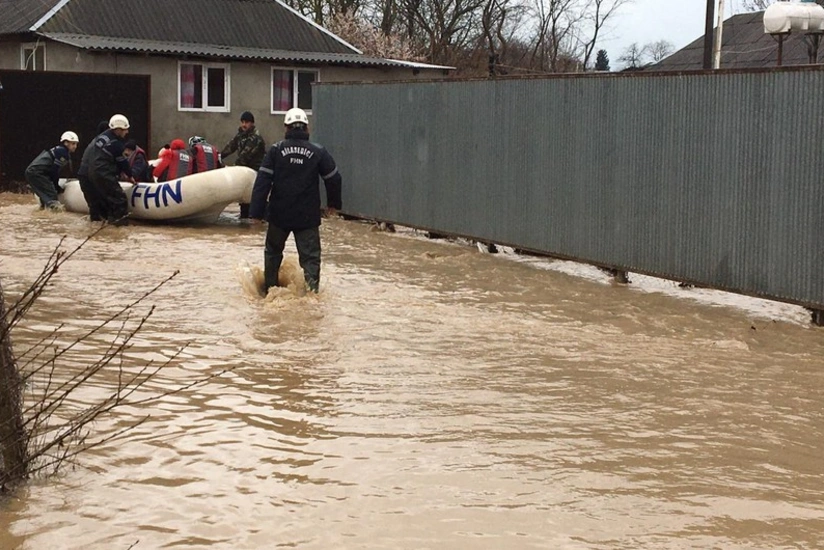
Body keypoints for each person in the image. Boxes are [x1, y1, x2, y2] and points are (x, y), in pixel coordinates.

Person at [249, 107, 343, 293]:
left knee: (273, 254)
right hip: (307, 217)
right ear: (306, 129)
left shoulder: (276, 150)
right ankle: (312, 295)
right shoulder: (318, 151)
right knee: (310, 259)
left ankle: (269, 291)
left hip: (278, 215)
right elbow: (334, 178)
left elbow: (262, 181)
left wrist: (256, 213)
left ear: (286, 127)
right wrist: (333, 205)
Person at [88, 114, 135, 225]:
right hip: (103, 173)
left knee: (106, 199)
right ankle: (119, 226)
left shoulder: (102, 137)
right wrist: (130, 176)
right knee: (119, 199)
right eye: (125, 130)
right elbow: (122, 162)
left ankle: (106, 224)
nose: (127, 132)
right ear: (118, 130)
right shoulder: (116, 144)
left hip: (93, 172)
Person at [222, 110, 266, 218]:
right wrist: (219, 156)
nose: (244, 125)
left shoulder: (256, 138)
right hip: (244, 175)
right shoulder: (240, 136)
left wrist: (232, 169)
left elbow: (245, 156)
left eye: (246, 122)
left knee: (255, 205)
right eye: (242, 122)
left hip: (255, 174)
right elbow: (230, 147)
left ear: (252, 123)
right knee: (244, 206)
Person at [24, 131, 79, 211]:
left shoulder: (58, 150)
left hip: (32, 172)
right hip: (37, 173)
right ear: (66, 143)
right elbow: (54, 172)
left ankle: (42, 215)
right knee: (52, 196)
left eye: (76, 144)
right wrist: (56, 187)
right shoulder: (63, 153)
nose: (75, 146)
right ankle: (55, 216)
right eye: (73, 143)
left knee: (45, 198)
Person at [78, 120, 110, 220]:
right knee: (99, 207)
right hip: (91, 176)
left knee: (94, 208)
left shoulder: (94, 143)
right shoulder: (104, 144)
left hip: (85, 176)